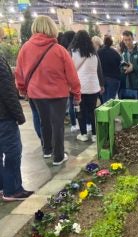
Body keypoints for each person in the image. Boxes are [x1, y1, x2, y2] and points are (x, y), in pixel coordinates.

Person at [15, 16, 81, 165]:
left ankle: (47, 150)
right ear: (52, 28)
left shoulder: (25, 48)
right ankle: (58, 156)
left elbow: (19, 72)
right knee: (57, 124)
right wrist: (77, 93)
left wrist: (22, 89)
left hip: (36, 94)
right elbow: (72, 75)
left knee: (44, 121)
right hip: (58, 94)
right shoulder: (59, 50)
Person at [0, 55, 33, 201]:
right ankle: (13, 189)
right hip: (4, 116)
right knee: (12, 152)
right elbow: (7, 90)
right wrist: (19, 115)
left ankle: (2, 187)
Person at [69, 30, 104, 142]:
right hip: (93, 87)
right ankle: (94, 134)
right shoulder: (93, 53)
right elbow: (99, 70)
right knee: (92, 111)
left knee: (80, 111)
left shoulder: (72, 52)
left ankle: (83, 134)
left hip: (79, 88)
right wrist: (101, 84)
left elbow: (70, 71)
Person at [59, 31, 78, 132]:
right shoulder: (70, 51)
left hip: (62, 82)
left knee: (68, 103)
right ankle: (73, 122)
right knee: (70, 102)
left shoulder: (61, 49)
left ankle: (66, 118)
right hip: (67, 82)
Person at [98, 36, 122, 103]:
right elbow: (119, 64)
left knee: (104, 100)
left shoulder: (98, 52)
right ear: (111, 43)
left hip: (102, 79)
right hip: (113, 78)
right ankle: (109, 113)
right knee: (111, 100)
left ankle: (104, 112)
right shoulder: (115, 53)